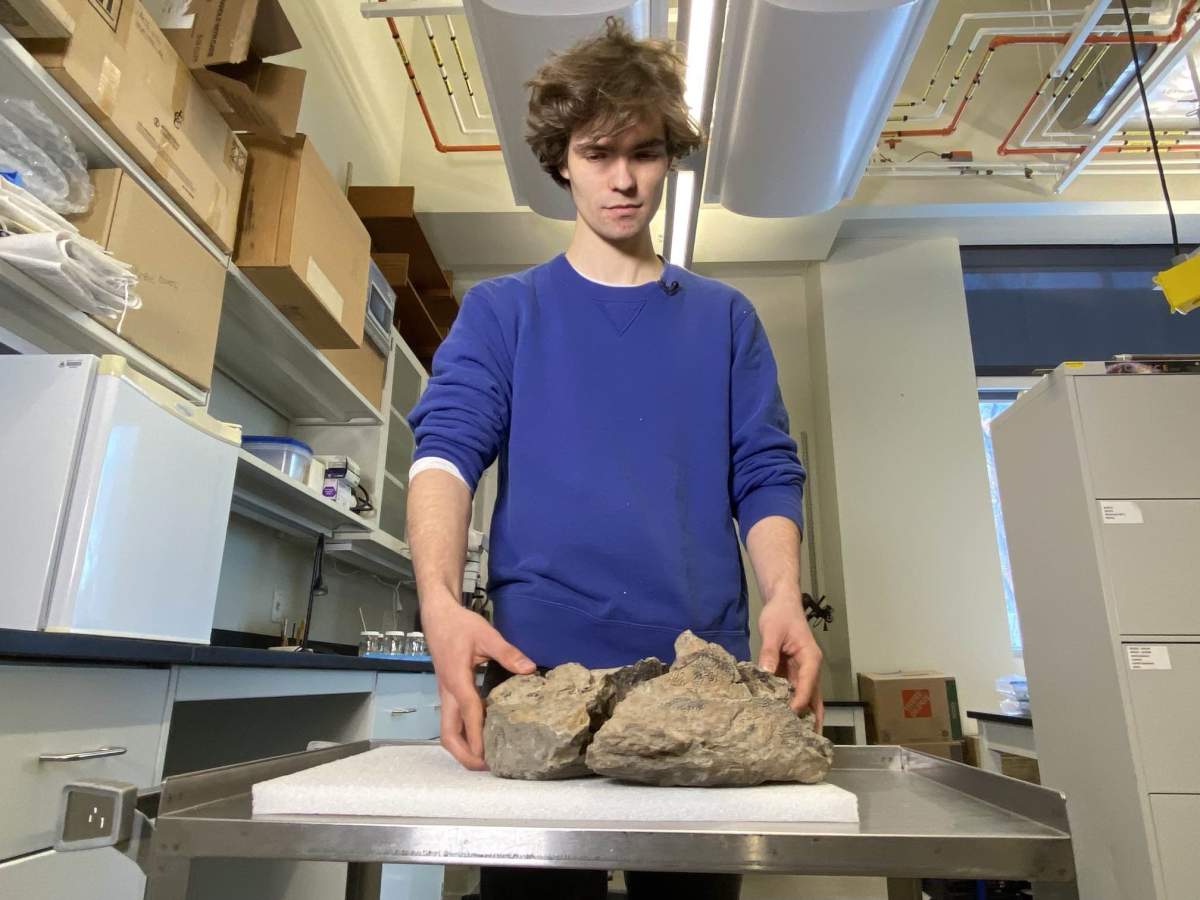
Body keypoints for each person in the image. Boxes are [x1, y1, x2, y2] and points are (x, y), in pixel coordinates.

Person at [406, 17, 822, 900]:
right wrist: (438, 604)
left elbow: (765, 471)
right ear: (563, 160)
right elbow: (445, 453)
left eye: (644, 151)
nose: (625, 178)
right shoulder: (503, 313)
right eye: (600, 153)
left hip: (699, 684)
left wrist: (783, 593)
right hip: (538, 681)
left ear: (669, 155)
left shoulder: (725, 320)